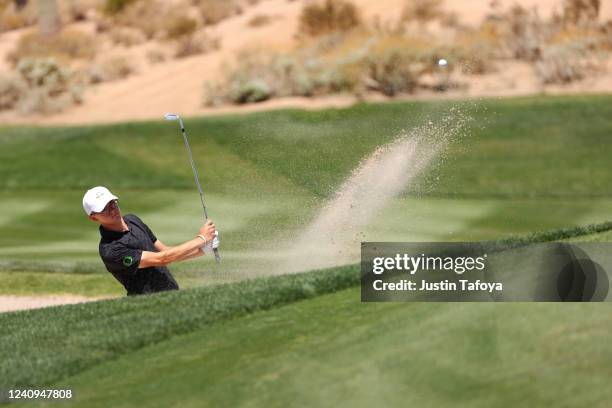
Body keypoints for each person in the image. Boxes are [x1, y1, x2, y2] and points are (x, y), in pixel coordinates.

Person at [82, 186, 219, 295]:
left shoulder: (132, 220)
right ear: (94, 218)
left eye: (112, 203)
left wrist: (203, 249)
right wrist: (201, 239)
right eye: (104, 209)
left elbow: (166, 251)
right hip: (147, 304)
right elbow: (162, 259)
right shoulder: (111, 249)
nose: (112, 209)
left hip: (172, 294)